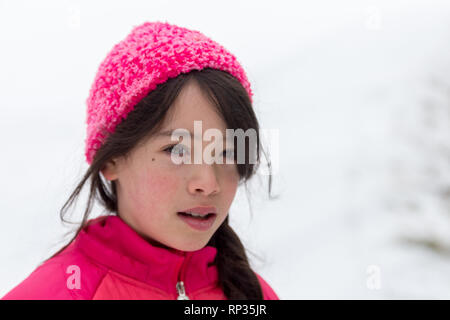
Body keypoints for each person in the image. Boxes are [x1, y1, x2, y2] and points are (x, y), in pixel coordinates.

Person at [2, 21, 279, 300]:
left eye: (226, 153)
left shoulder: (251, 294)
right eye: (177, 150)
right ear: (112, 159)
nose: (208, 183)